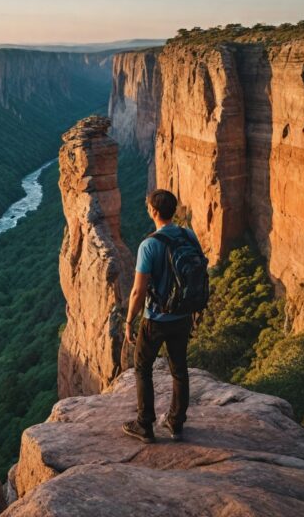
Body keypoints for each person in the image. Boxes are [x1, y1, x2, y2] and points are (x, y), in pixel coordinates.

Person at [121, 189, 203, 443]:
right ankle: (176, 423)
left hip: (155, 318)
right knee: (179, 370)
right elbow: (199, 270)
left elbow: (138, 290)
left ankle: (145, 424)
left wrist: (129, 321)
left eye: (148, 207)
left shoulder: (149, 245)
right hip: (182, 316)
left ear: (154, 212)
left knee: (143, 369)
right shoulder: (188, 235)